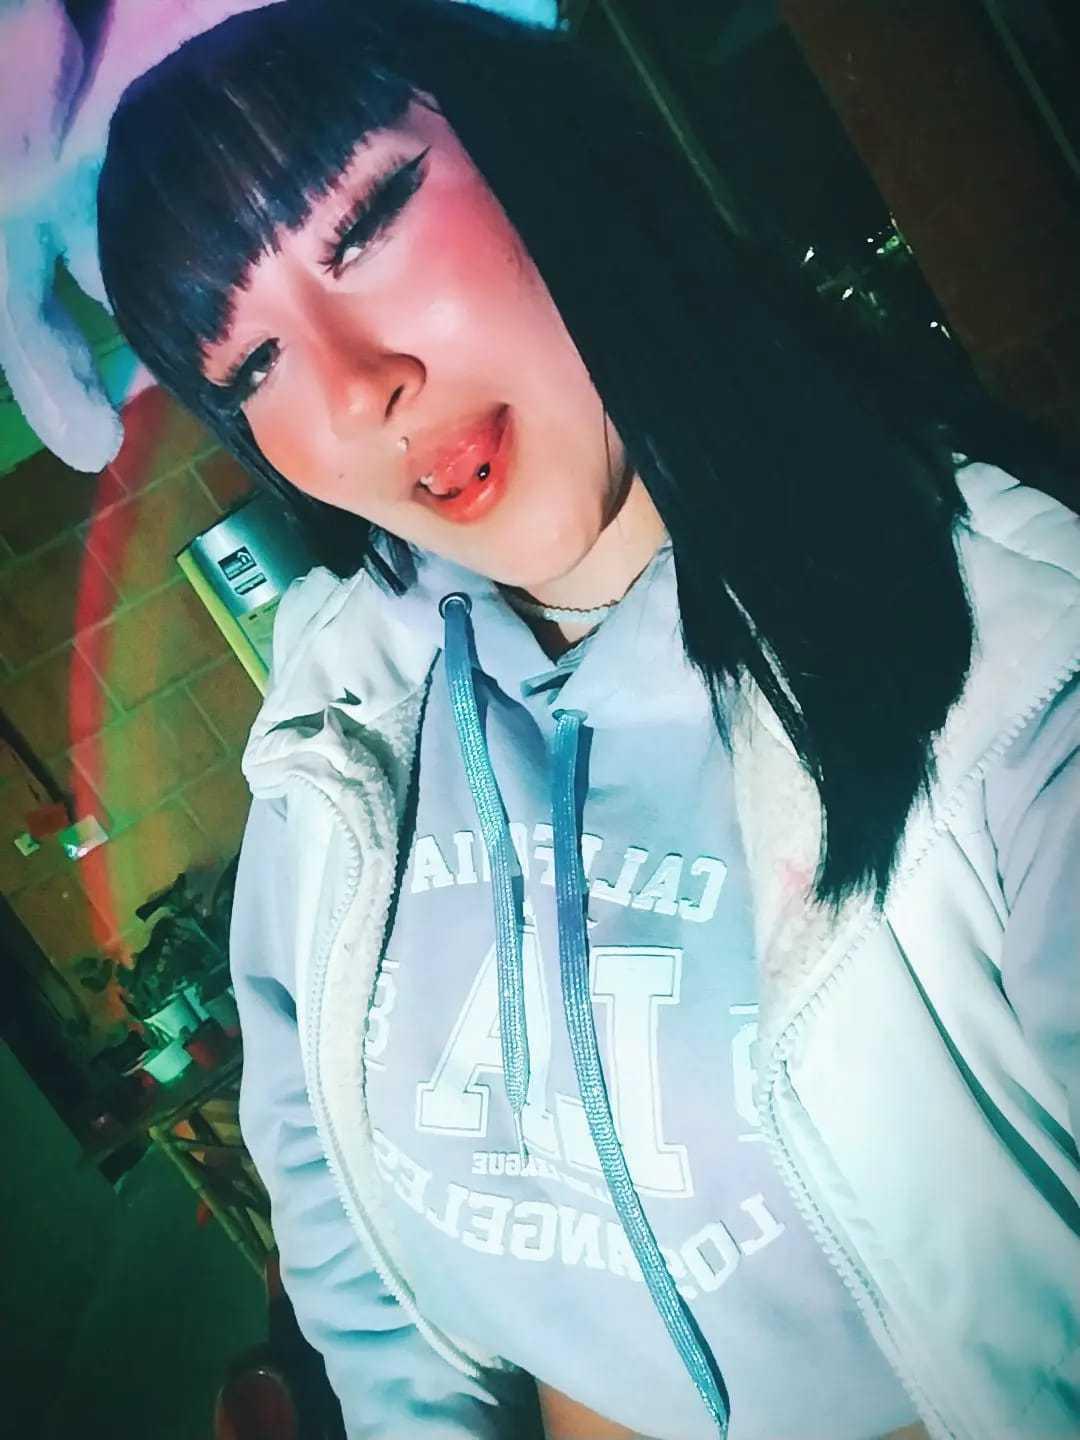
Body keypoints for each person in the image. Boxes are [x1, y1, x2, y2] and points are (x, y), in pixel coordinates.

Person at [95, 1, 1080, 1436]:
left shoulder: (1014, 674)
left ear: (528, 147)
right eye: (252, 369)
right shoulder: (335, 727)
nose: (359, 389)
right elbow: (350, 1258)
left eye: (364, 223)